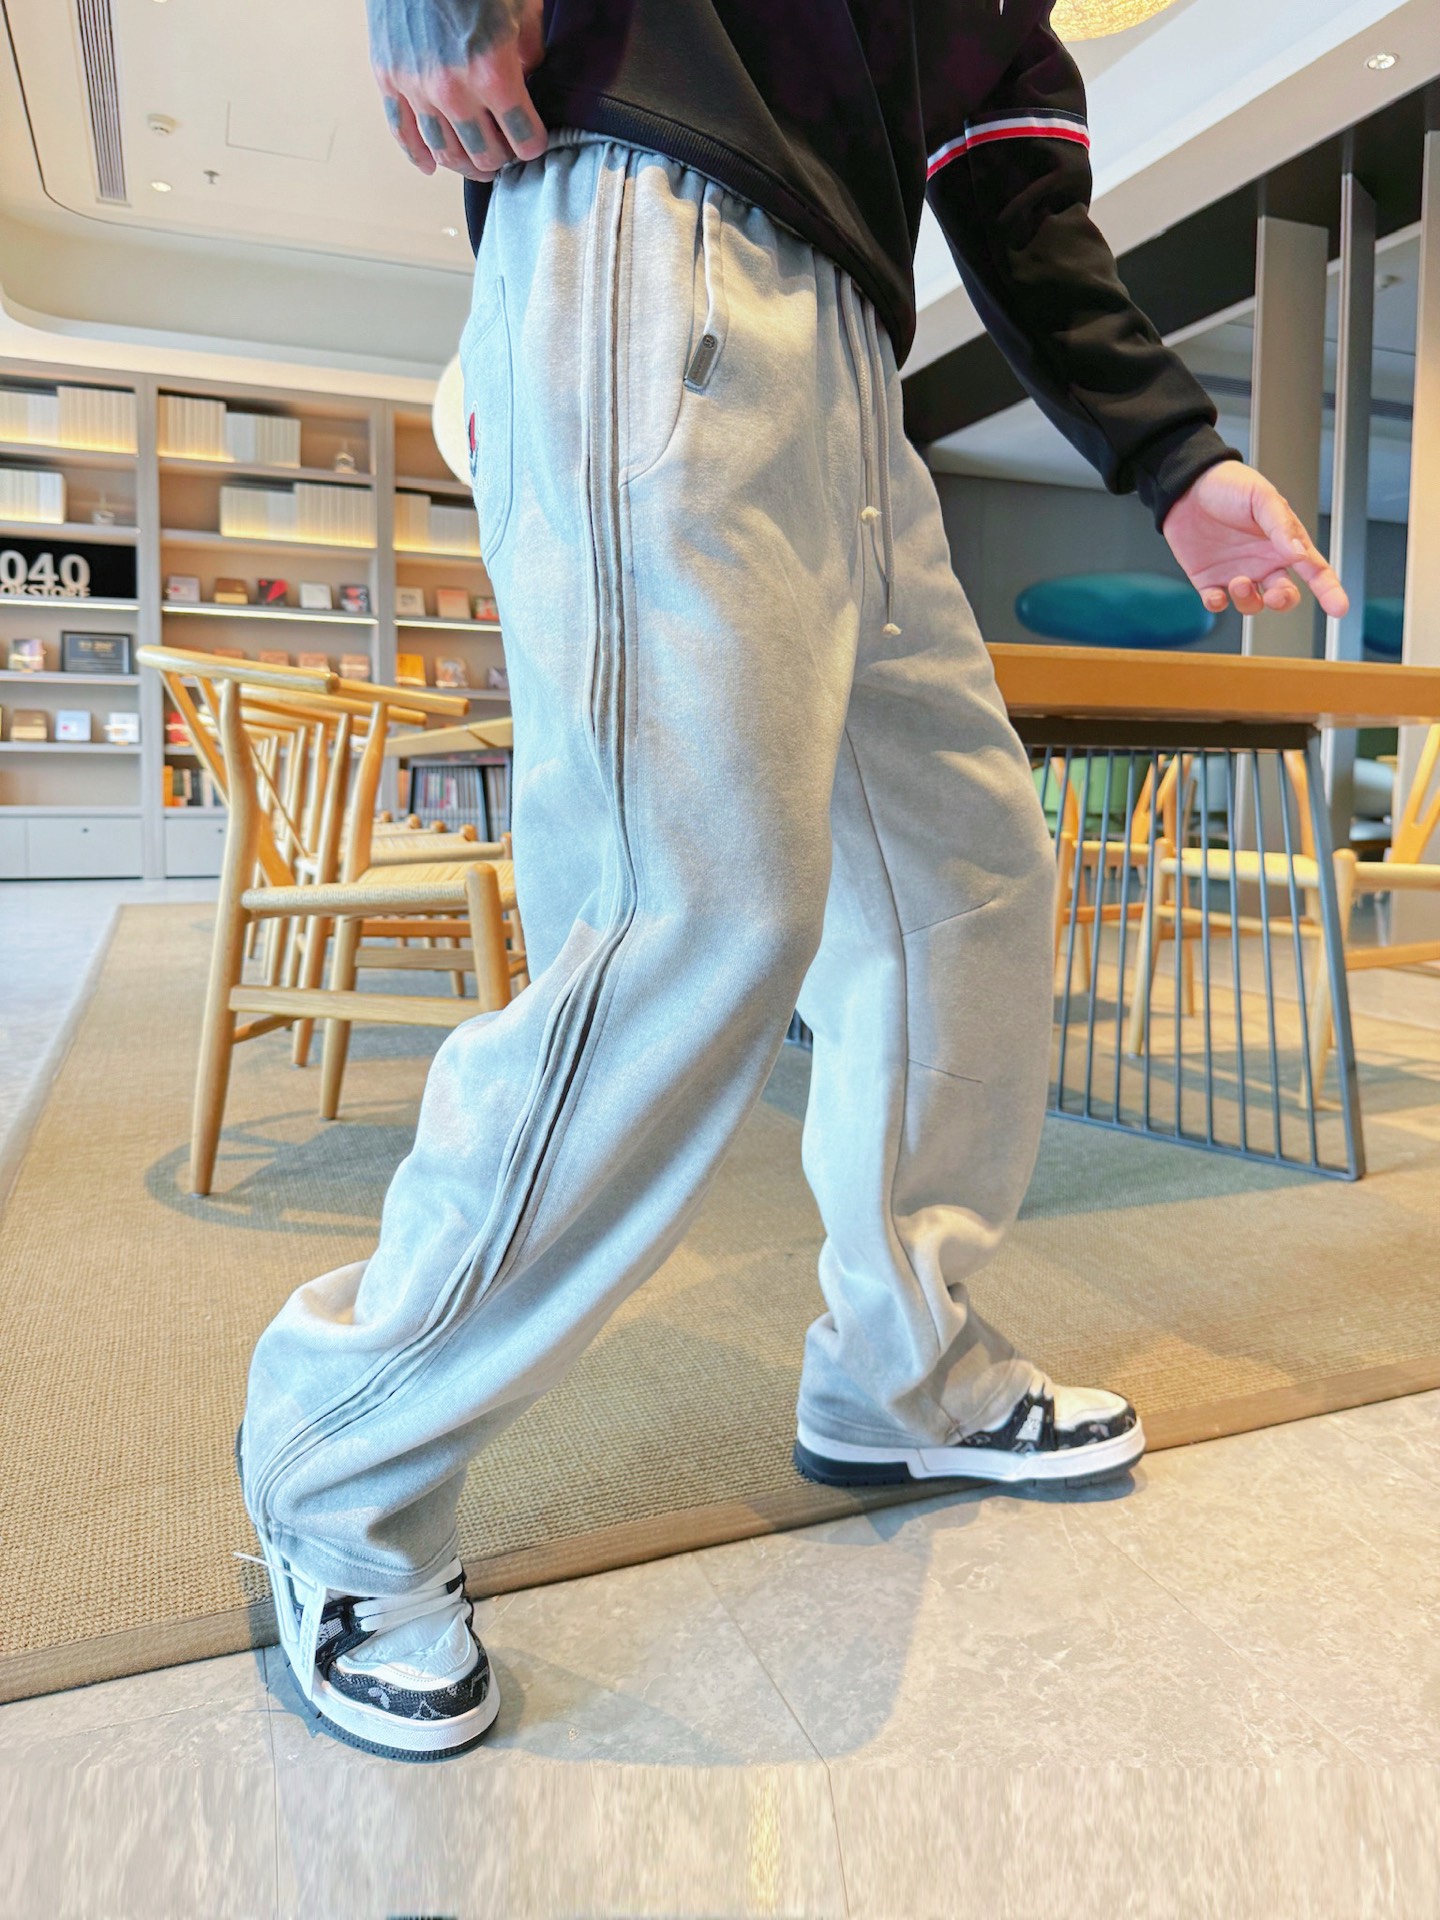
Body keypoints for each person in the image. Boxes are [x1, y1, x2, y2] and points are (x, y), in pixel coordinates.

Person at [237, 0, 1350, 1762]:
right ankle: (336, 1464)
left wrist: (1173, 452)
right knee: (692, 911)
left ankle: (903, 1369)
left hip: (852, 354)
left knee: (968, 879)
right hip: (651, 213)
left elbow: (1013, 185)